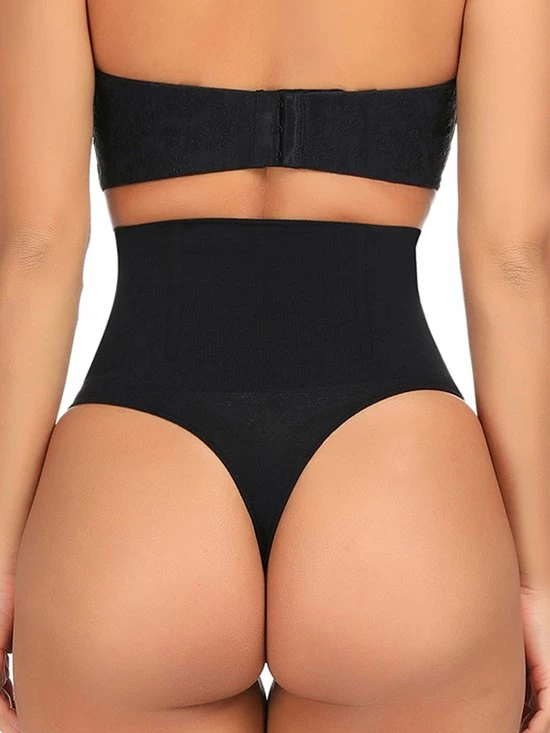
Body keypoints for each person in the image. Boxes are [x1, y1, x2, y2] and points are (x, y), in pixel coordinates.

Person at [0, 0, 548, 731]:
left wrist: (2, 568)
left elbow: (33, 251)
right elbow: (515, 262)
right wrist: (539, 584)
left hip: (134, 495)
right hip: (397, 482)